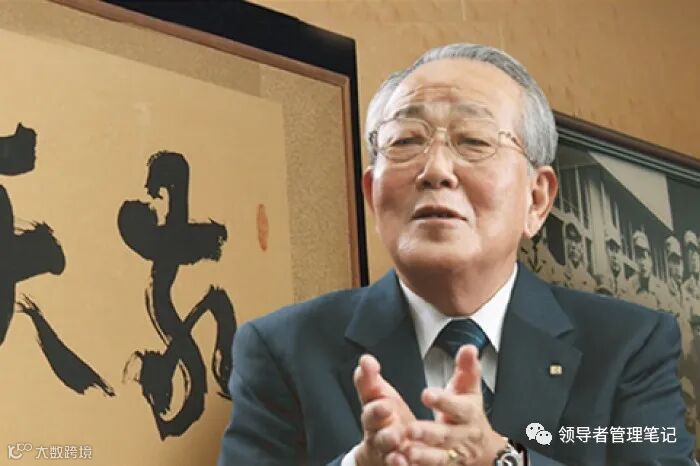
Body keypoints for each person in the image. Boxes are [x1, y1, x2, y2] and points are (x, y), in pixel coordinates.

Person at [217, 44, 694, 465]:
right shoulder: (284, 349)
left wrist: (505, 460)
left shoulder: (629, 345)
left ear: (536, 199)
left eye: (474, 141)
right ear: (372, 194)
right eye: (406, 141)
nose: (436, 169)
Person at [556, 218, 596, 293]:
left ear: (582, 246)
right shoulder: (558, 274)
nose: (573, 245)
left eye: (576, 240)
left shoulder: (590, 282)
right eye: (570, 238)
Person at [594, 226, 629, 298]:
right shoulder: (600, 283)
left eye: (617, 251)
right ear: (606, 251)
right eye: (611, 249)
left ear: (622, 254)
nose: (614, 256)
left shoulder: (629, 288)